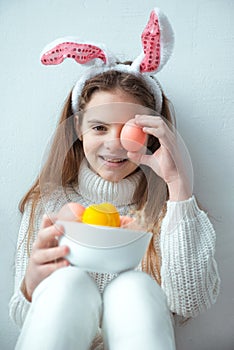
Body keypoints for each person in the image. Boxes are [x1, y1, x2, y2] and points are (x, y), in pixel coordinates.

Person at [9, 7, 220, 350]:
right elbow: (22, 316)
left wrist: (180, 188)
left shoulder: (171, 214)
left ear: (152, 134)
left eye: (130, 129)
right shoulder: (48, 205)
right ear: (78, 128)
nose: (113, 143)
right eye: (99, 127)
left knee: (133, 289)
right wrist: (34, 281)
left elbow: (190, 305)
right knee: (68, 285)